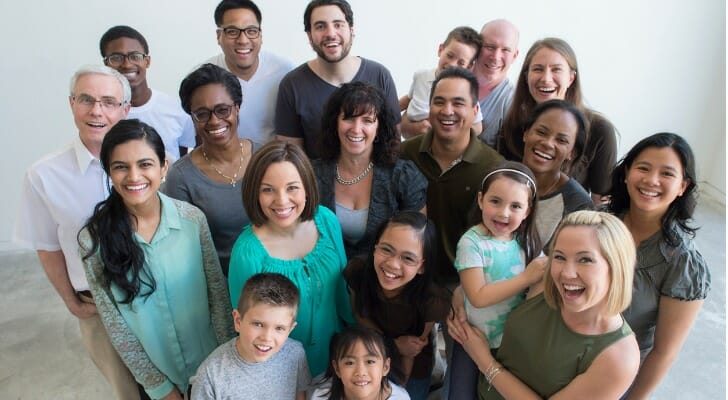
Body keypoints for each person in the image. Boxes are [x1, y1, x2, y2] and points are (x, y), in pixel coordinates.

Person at [79, 119, 235, 399]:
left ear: (163, 166)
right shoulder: (93, 240)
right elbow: (115, 323)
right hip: (157, 380)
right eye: (121, 167)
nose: (134, 176)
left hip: (212, 367)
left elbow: (218, 294)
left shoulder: (192, 220)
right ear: (109, 172)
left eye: (145, 164)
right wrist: (159, 387)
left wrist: (226, 365)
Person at [12, 65, 139, 400]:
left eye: (108, 102)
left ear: (125, 109)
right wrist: (71, 301)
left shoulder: (150, 160)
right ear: (72, 104)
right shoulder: (44, 176)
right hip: (99, 304)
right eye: (86, 100)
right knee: (127, 391)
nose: (97, 111)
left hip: (155, 297)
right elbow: (47, 245)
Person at [449, 210, 640, 399]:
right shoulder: (544, 280)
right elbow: (485, 286)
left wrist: (485, 362)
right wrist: (460, 298)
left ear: (617, 266)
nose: (567, 273)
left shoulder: (619, 358)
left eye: (585, 260)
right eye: (559, 257)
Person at [228, 141, 355, 377]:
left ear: (307, 187)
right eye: (268, 190)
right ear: (255, 193)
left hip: (337, 360)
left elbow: (343, 293)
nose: (282, 200)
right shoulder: (246, 254)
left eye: (292, 188)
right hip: (283, 375)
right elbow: (247, 331)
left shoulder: (326, 221)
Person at [607, 133, 710, 399]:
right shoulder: (597, 223)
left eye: (667, 173)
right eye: (643, 168)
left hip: (617, 375)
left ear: (683, 186)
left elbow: (664, 352)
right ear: (627, 173)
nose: (652, 180)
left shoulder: (683, 262)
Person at [449, 161, 544, 400]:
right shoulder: (471, 242)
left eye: (515, 206)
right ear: (481, 200)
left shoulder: (528, 242)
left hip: (513, 342)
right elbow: (478, 297)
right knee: (461, 394)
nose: (504, 213)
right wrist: (526, 277)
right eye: (495, 201)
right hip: (472, 337)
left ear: (527, 211)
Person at [401, 67, 503, 287]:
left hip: (463, 285)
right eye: (439, 102)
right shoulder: (405, 154)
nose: (447, 111)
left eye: (458, 103)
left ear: (475, 110)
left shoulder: (494, 169)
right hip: (406, 276)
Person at [313, 82, 427, 258]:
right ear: (335, 122)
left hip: (384, 272)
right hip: (324, 271)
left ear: (378, 128)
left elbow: (417, 243)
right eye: (349, 118)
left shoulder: (404, 177)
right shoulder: (312, 174)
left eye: (367, 120)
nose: (356, 129)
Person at [498, 38, 617, 205]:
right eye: (538, 69)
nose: (546, 79)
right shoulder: (513, 124)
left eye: (556, 70)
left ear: (571, 78)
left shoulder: (600, 130)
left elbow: (601, 203)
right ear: (526, 76)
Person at [343, 211, 449, 399]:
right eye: (386, 250)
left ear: (422, 266)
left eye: (408, 258)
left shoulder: (432, 300)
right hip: (370, 350)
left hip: (411, 365)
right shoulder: (358, 271)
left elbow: (411, 350)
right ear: (375, 247)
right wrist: (391, 344)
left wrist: (397, 392)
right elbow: (359, 314)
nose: (393, 264)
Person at [162, 63, 256, 275]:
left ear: (237, 108)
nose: (214, 121)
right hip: (219, 281)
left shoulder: (265, 158)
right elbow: (185, 249)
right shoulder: (182, 176)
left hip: (275, 274)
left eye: (223, 110)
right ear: (192, 117)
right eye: (202, 114)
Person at [275, 0, 400, 158]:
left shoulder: (380, 75)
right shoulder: (292, 85)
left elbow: (393, 145)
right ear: (309, 35)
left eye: (338, 24)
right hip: (315, 174)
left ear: (351, 30)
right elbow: (291, 159)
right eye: (320, 26)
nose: (331, 34)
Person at [191, 273, 311, 400]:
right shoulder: (209, 376)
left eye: (279, 328)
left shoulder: (296, 354)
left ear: (290, 329)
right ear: (238, 321)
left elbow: (300, 394)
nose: (267, 338)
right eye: (258, 324)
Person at [100, 25, 195, 161]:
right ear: (106, 64)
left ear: (147, 61)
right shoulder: (100, 115)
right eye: (116, 58)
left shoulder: (177, 109)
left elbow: (183, 162)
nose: (127, 64)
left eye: (135, 56)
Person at [204, 0, 294, 144]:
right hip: (223, 157)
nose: (243, 40)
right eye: (232, 32)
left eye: (251, 31)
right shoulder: (204, 78)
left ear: (260, 35)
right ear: (219, 36)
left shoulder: (285, 72)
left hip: (273, 156)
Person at [520, 100, 594, 246]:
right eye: (541, 132)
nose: (548, 143)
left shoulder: (578, 204)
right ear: (526, 133)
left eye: (561, 140)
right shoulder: (496, 177)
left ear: (572, 152)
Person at [399, 26, 484, 138]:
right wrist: (387, 111)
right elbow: (408, 99)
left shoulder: (466, 89)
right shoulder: (421, 76)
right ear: (440, 50)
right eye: (450, 56)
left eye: (461, 63)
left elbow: (478, 127)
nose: (452, 64)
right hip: (412, 141)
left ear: (469, 67)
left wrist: (452, 132)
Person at [311, 326, 411, 400]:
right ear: (337, 369)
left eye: (370, 362)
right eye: (350, 363)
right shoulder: (320, 397)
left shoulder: (400, 398)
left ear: (385, 367)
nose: (360, 372)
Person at [472, 19, 520, 148]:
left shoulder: (513, 102)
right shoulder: (452, 79)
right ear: (477, 47)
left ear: (514, 56)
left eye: (505, 50)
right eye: (490, 47)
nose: (495, 57)